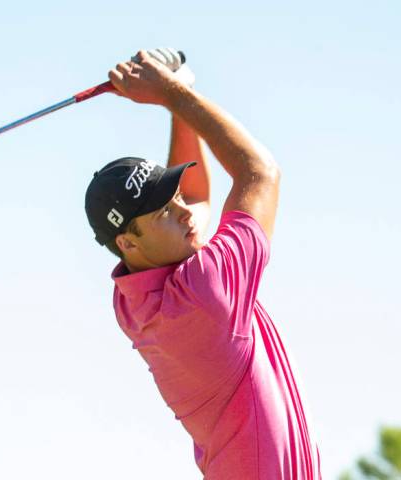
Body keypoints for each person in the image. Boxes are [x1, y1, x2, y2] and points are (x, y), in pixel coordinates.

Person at [84, 49, 322, 479]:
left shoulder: (134, 295)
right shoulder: (204, 295)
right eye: (163, 212)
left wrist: (179, 100)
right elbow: (260, 173)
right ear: (127, 241)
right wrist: (171, 94)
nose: (184, 212)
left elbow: (194, 202)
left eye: (172, 196)